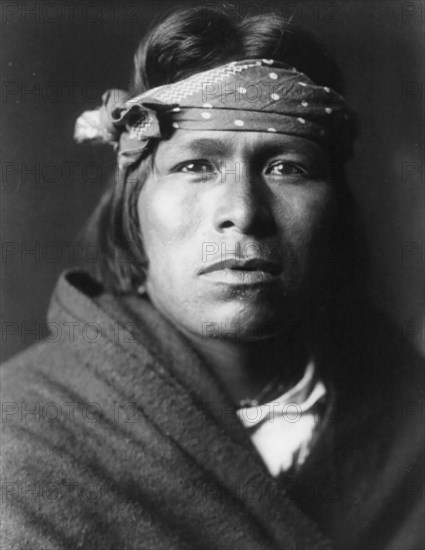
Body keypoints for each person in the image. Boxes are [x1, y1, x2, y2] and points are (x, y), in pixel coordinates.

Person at [1, 6, 423, 549]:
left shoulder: (410, 411)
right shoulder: (24, 434)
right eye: (196, 165)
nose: (244, 211)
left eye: (286, 167)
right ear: (134, 210)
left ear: (337, 210)